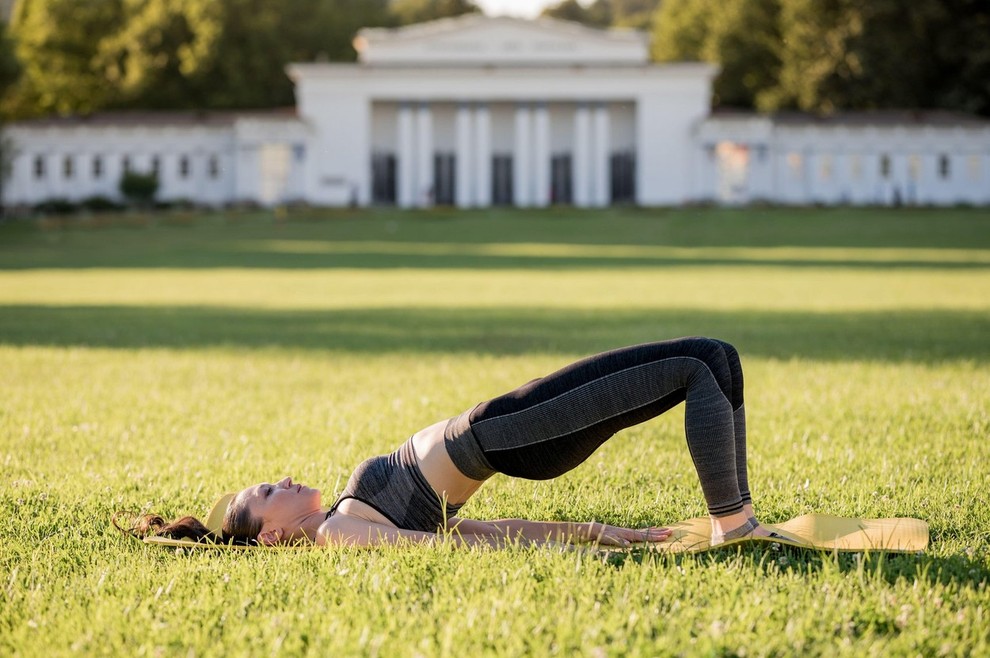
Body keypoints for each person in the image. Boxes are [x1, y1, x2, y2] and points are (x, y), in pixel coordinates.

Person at [122, 337, 776, 549]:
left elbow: (485, 532)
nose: (282, 479)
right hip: (505, 434)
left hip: (511, 433)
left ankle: (735, 520)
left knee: (703, 367)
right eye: (268, 492)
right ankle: (735, 524)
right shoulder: (335, 535)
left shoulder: (346, 519)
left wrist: (600, 531)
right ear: (269, 534)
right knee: (702, 364)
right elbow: (447, 550)